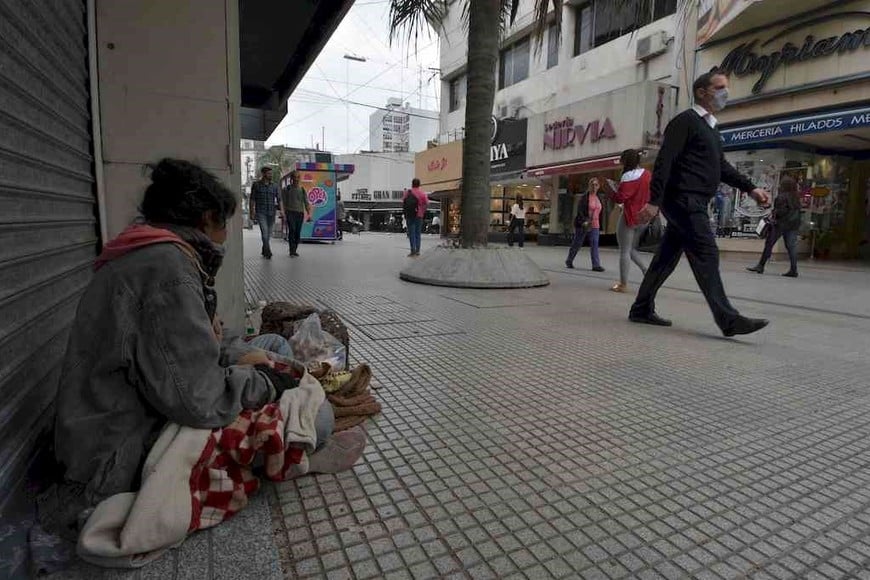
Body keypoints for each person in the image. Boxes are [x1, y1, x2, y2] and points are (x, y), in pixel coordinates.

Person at [36, 159, 354, 543]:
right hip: (120, 449)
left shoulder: (155, 252)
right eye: (225, 224)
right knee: (318, 417)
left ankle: (289, 433)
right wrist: (266, 381)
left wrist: (255, 360)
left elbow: (199, 344)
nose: (225, 236)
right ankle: (295, 451)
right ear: (206, 219)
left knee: (274, 347)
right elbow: (200, 401)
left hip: (149, 401)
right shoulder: (166, 272)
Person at [630, 70, 772, 337]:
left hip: (693, 201)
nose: (725, 93)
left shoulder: (711, 128)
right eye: (719, 87)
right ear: (701, 92)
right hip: (683, 200)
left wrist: (750, 188)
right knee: (707, 253)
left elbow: (722, 168)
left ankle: (641, 308)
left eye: (726, 87)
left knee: (665, 259)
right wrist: (653, 202)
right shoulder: (685, 122)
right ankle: (728, 319)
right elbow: (665, 162)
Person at [609, 149, 651, 292]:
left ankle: (623, 284)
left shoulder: (627, 176)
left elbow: (621, 198)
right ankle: (647, 271)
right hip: (644, 216)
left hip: (629, 215)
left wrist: (613, 191)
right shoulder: (647, 174)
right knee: (631, 248)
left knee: (624, 250)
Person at [747, 176, 801, 277]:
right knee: (791, 247)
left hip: (780, 224)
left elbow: (780, 211)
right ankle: (794, 269)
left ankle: (761, 265)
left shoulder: (781, 197)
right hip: (793, 225)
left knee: (769, 244)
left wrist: (774, 212)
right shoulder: (796, 198)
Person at [565, 177, 605, 272]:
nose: (594, 187)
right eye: (592, 185)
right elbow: (580, 211)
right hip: (585, 224)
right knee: (577, 243)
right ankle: (569, 260)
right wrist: (584, 221)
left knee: (594, 244)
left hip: (595, 224)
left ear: (598, 186)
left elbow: (600, 212)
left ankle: (596, 265)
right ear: (589, 186)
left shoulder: (598, 197)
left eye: (596, 185)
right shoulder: (585, 197)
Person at [249, 166, 280, 259]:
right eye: (269, 173)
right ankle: (268, 251)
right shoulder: (256, 185)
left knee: (269, 233)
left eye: (271, 173)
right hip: (261, 212)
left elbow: (279, 199)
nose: (271, 175)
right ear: (263, 174)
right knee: (265, 232)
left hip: (271, 212)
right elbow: (252, 199)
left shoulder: (275, 185)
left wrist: (282, 211)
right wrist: (252, 212)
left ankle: (264, 249)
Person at [281, 170, 311, 257]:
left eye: (298, 177)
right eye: (294, 177)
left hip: (300, 213)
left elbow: (306, 201)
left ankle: (295, 249)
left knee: (297, 232)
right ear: (291, 178)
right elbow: (283, 202)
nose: (296, 179)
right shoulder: (287, 189)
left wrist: (308, 212)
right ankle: (292, 250)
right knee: (292, 230)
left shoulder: (302, 189)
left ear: (300, 178)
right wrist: (283, 213)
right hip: (290, 212)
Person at [402, 178, 429, 256]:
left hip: (410, 215)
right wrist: (423, 210)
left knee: (411, 233)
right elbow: (427, 203)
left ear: (412, 184)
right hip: (419, 215)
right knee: (418, 233)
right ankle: (417, 250)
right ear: (419, 184)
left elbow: (404, 202)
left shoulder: (407, 192)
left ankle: (412, 250)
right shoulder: (422, 193)